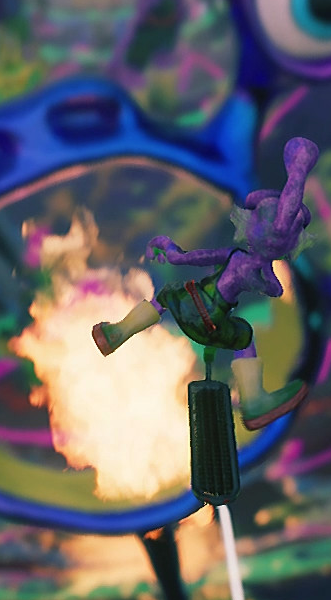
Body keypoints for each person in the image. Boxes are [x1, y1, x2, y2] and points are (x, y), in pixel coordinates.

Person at [92, 138, 318, 430]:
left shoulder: (234, 255)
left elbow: (190, 258)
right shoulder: (256, 268)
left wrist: (172, 251)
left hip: (191, 306)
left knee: (167, 295)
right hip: (209, 320)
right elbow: (274, 288)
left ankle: (117, 333)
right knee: (244, 336)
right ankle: (253, 401)